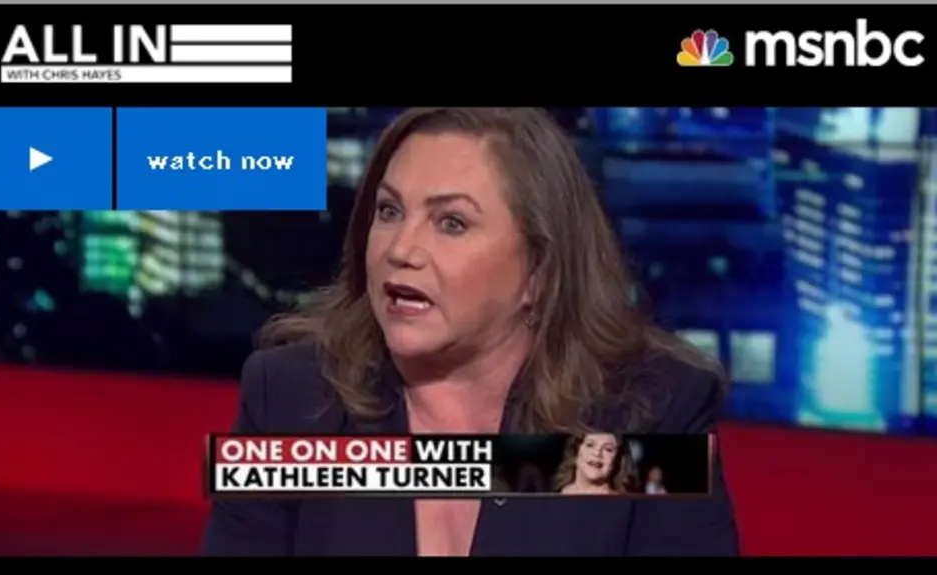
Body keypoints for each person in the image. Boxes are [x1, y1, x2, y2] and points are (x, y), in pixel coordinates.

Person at [202, 107, 739, 556]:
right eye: (389, 211)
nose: (400, 249)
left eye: (451, 223)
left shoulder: (653, 418)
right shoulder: (291, 397)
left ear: (539, 272)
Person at [554, 433, 637, 495]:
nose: (597, 453)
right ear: (576, 451)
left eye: (608, 449)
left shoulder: (624, 504)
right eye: (590, 445)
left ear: (617, 460)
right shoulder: (553, 499)